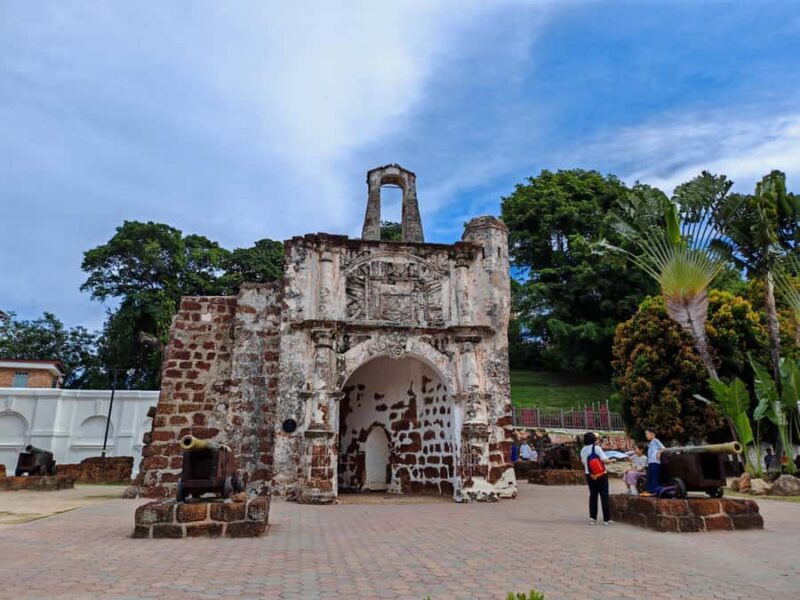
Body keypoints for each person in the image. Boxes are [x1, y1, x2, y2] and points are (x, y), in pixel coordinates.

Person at [580, 431, 611, 525]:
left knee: (593, 495)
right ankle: (606, 519)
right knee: (604, 495)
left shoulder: (583, 450)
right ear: (593, 439)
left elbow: (583, 463)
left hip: (589, 474)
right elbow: (604, 460)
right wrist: (612, 460)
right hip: (601, 474)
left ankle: (593, 517)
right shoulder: (597, 448)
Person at [641, 427, 664, 497]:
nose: (646, 435)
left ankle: (654, 491)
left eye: (647, 434)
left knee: (654, 477)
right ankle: (649, 490)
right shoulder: (650, 443)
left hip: (655, 462)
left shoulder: (656, 440)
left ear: (652, 434)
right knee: (649, 476)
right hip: (650, 462)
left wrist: (659, 452)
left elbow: (663, 448)